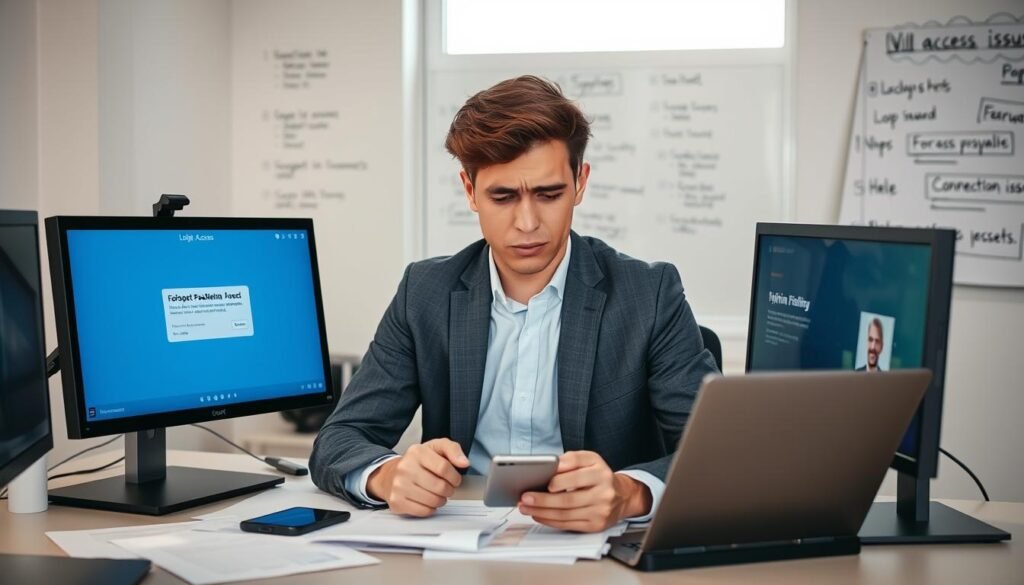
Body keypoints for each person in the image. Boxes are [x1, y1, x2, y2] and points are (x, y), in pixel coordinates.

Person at [310, 75, 718, 533]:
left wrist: (631, 493)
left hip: (599, 548)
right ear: (469, 191)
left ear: (580, 183)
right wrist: (387, 475)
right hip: (459, 541)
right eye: (502, 197)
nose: (527, 223)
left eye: (548, 194)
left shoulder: (649, 293)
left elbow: (721, 452)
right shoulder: (424, 292)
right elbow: (339, 439)